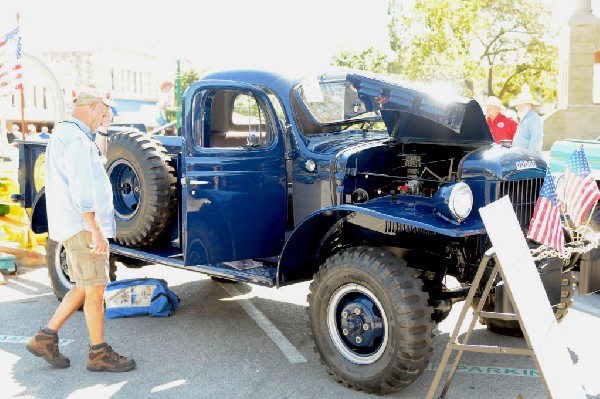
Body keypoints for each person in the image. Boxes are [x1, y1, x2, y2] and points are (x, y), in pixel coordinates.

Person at [26, 87, 136, 372]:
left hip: (77, 226)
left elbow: (97, 161)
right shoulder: (74, 139)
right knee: (95, 289)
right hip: (83, 227)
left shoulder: (72, 135)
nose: (106, 114)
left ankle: (45, 338)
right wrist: (95, 229)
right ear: (94, 106)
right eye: (104, 110)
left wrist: (105, 129)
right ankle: (98, 353)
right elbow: (81, 189)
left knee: (84, 285)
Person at [510, 91, 544, 156]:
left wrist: (531, 156)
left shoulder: (533, 118)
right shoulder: (526, 118)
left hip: (529, 159)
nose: (518, 108)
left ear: (529, 106)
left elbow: (536, 139)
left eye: (521, 105)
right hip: (522, 157)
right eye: (517, 106)